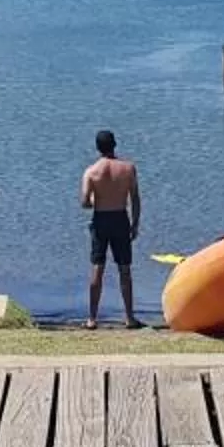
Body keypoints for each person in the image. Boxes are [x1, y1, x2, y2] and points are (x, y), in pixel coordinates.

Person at [80, 129, 142, 328]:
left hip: (101, 219)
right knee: (124, 268)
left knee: (97, 268)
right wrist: (135, 223)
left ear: (97, 147)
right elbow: (135, 198)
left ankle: (92, 318)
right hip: (120, 218)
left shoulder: (91, 172)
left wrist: (94, 199)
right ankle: (129, 317)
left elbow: (84, 202)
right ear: (114, 145)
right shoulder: (128, 168)